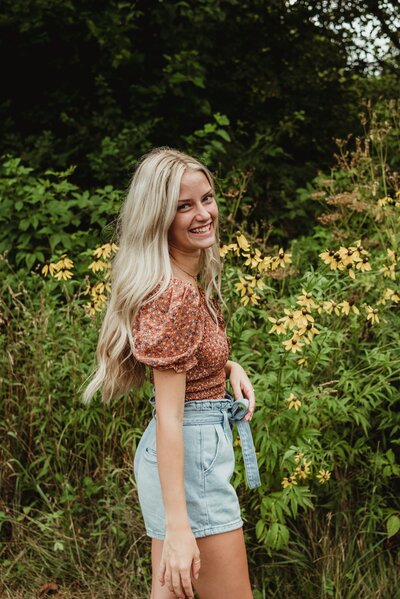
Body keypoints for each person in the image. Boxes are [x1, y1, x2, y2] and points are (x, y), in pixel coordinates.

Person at [82, 147, 261, 599]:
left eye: (207, 198)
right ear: (158, 216)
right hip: (189, 462)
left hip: (185, 456)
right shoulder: (174, 295)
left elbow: (189, 364)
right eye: (184, 205)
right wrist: (180, 527)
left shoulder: (179, 282)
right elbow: (170, 415)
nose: (203, 214)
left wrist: (227, 367)